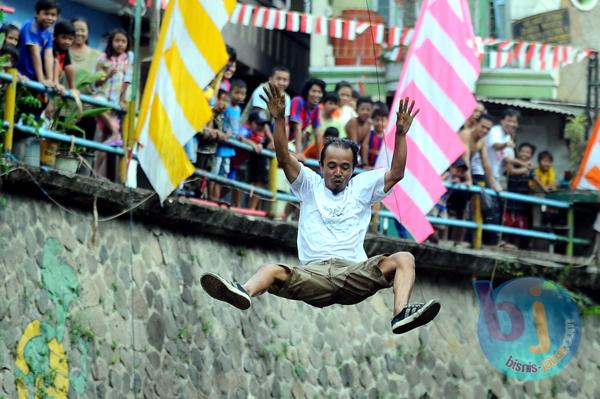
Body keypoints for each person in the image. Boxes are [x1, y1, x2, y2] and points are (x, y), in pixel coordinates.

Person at [201, 83, 440, 335]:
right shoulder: (308, 183)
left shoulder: (363, 186)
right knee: (271, 270)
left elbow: (397, 172)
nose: (338, 172)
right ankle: (243, 292)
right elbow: (283, 157)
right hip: (313, 275)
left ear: (353, 168)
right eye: (332, 166)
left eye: (345, 167)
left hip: (353, 273)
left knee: (405, 258)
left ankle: (400, 314)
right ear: (322, 165)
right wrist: (280, 118)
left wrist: (400, 135)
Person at [93, 28, 134, 177]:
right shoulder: (103, 58)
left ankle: (97, 174)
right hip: (103, 97)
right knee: (97, 101)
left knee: (106, 140)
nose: (120, 44)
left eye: (123, 41)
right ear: (111, 42)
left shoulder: (128, 58)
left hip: (117, 102)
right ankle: (116, 133)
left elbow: (127, 80)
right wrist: (106, 75)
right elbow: (95, 83)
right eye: (117, 40)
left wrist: (122, 100)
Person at [210, 79, 247, 202]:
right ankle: (211, 197)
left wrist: (238, 136)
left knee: (223, 175)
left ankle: (216, 198)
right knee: (214, 172)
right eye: (237, 93)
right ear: (230, 92)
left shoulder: (238, 110)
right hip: (220, 145)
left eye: (242, 94)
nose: (239, 96)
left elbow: (236, 127)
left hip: (230, 147)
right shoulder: (226, 107)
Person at [17, 0, 59, 86]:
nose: (50, 18)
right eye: (46, 14)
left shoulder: (49, 32)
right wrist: (42, 80)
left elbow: (49, 56)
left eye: (53, 15)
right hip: (19, 74)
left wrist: (50, 80)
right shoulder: (30, 26)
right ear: (36, 13)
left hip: (32, 78)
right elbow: (34, 53)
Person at [502, 142, 536, 249]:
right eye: (523, 151)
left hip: (522, 201)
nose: (525, 154)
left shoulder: (531, 169)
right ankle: (505, 241)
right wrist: (525, 168)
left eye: (528, 152)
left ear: (531, 155)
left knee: (520, 222)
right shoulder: (513, 163)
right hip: (511, 198)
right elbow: (510, 172)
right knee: (508, 220)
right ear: (518, 152)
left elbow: (536, 181)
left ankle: (516, 245)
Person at [289, 77, 325, 160]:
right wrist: (298, 152)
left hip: (291, 142)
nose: (316, 95)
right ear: (307, 92)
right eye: (313, 91)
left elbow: (318, 133)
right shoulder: (298, 101)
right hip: (280, 139)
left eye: (319, 92)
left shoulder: (316, 108)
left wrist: (320, 159)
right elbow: (297, 127)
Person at [69, 18, 101, 88]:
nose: (79, 33)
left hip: (84, 98)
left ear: (88, 32)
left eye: (83, 30)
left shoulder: (98, 55)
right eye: (76, 30)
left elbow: (100, 82)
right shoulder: (63, 50)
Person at [52, 20, 76, 91]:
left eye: (70, 39)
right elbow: (55, 63)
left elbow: (68, 67)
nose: (67, 42)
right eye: (63, 37)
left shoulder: (65, 50)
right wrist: (56, 83)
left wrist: (72, 88)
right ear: (55, 36)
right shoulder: (51, 46)